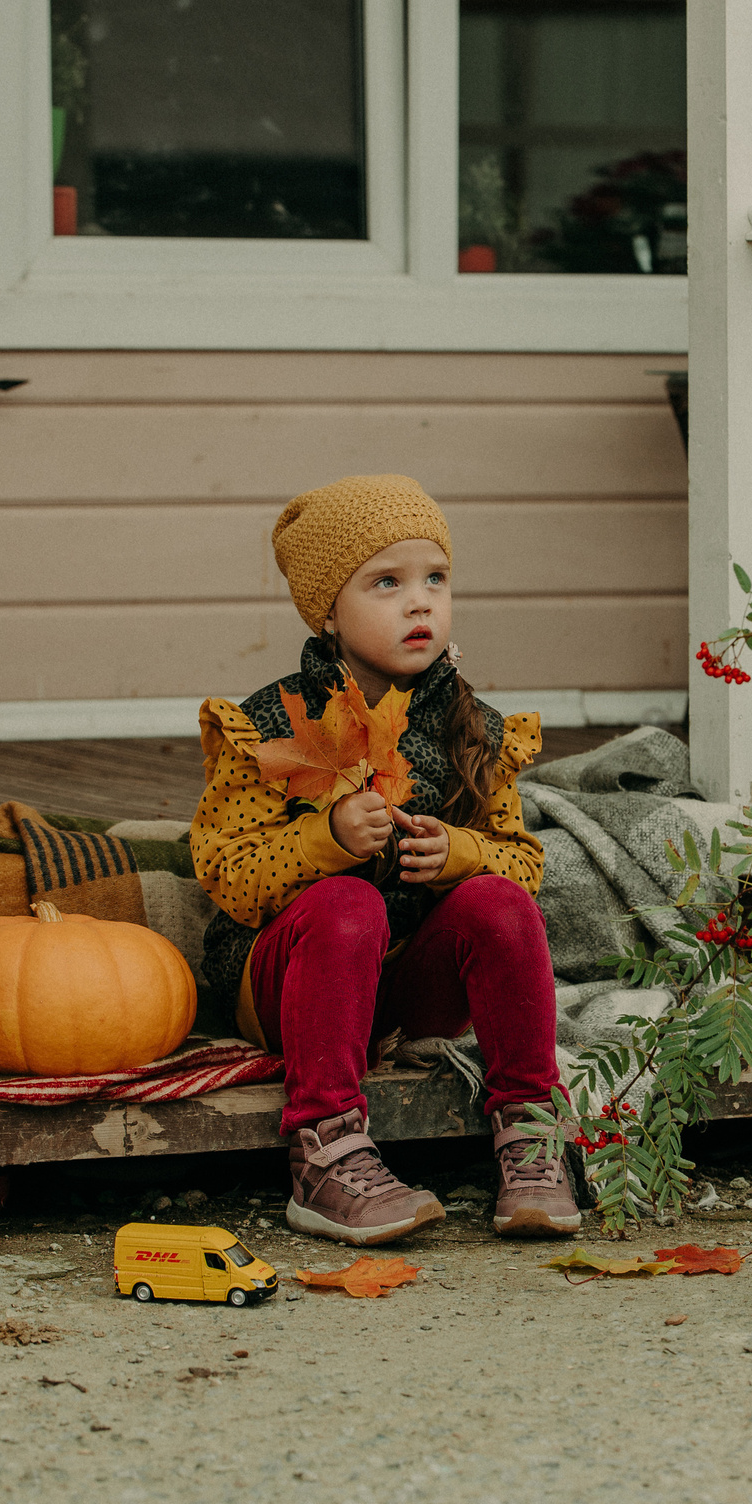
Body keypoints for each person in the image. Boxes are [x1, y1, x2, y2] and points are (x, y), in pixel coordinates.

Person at [189, 474, 579, 1246]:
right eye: (387, 583)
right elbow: (229, 875)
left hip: (407, 995)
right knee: (347, 903)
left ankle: (531, 1132)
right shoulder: (268, 724)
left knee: (500, 901)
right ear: (328, 612)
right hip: (289, 986)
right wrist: (326, 838)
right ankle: (324, 1150)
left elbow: (524, 866)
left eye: (436, 579)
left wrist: (463, 853)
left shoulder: (474, 727)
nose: (420, 602)